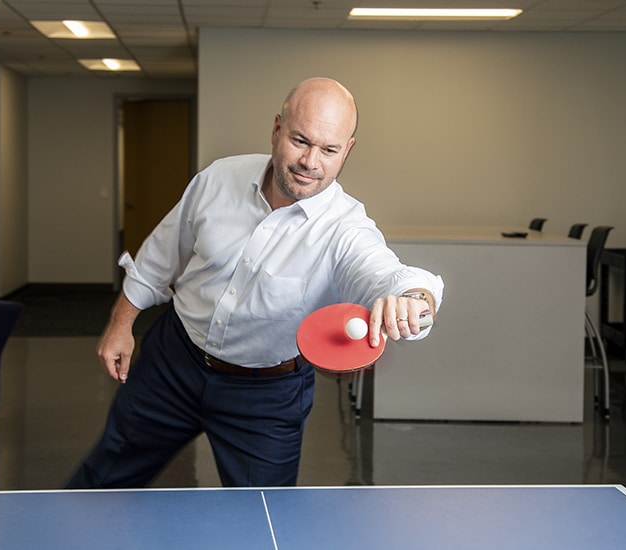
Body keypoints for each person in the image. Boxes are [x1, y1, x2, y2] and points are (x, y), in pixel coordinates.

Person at [66, 77, 443, 489]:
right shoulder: (218, 178)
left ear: (347, 150)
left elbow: (388, 274)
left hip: (267, 396)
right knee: (104, 479)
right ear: (277, 129)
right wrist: (121, 323)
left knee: (261, 514)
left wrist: (412, 297)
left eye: (329, 150)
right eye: (300, 141)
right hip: (172, 363)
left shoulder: (347, 229)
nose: (310, 161)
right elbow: (161, 255)